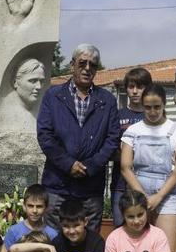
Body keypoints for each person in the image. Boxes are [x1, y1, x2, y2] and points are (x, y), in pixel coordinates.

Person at [37, 43, 119, 231]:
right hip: (57, 184)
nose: (87, 68)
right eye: (82, 63)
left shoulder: (107, 100)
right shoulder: (53, 96)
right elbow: (45, 135)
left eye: (93, 64)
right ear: (72, 64)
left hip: (91, 186)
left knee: (88, 244)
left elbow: (112, 138)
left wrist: (90, 166)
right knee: (53, 243)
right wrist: (68, 164)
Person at [120, 83, 176, 251]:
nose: (152, 112)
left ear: (164, 104)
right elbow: (125, 167)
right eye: (148, 107)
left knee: (167, 251)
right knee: (138, 249)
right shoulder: (133, 131)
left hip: (168, 195)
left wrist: (158, 196)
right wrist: (142, 197)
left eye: (157, 107)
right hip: (138, 195)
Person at [111, 68, 151, 227]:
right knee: (119, 231)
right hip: (120, 185)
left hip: (147, 184)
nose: (135, 91)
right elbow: (110, 148)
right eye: (131, 86)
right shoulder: (117, 115)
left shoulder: (152, 116)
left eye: (140, 87)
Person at [2, 184, 59, 251]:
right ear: (24, 206)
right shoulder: (14, 231)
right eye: (30, 206)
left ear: (46, 208)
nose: (34, 211)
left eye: (39, 206)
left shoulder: (52, 234)